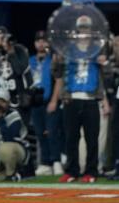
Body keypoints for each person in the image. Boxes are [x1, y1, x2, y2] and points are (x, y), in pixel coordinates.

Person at [55, 16, 109, 183]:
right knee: (71, 137)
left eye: (86, 28)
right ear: (77, 30)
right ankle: (72, 171)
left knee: (92, 137)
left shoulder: (98, 49)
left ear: (90, 30)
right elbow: (57, 73)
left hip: (91, 98)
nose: (84, 31)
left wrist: (104, 63)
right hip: (72, 98)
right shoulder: (67, 50)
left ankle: (91, 172)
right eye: (81, 28)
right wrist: (57, 61)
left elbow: (106, 75)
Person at [29, 31, 64, 176]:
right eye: (38, 41)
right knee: (40, 133)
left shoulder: (53, 59)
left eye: (44, 41)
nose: (41, 43)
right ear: (35, 43)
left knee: (52, 132)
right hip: (35, 101)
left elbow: (59, 80)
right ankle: (45, 162)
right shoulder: (30, 60)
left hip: (50, 100)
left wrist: (55, 100)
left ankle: (56, 161)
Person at [0, 26, 31, 110]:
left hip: (20, 96)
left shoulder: (19, 49)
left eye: (3, 37)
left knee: (22, 122)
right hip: (3, 98)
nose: (1, 40)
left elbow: (19, 71)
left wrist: (10, 51)